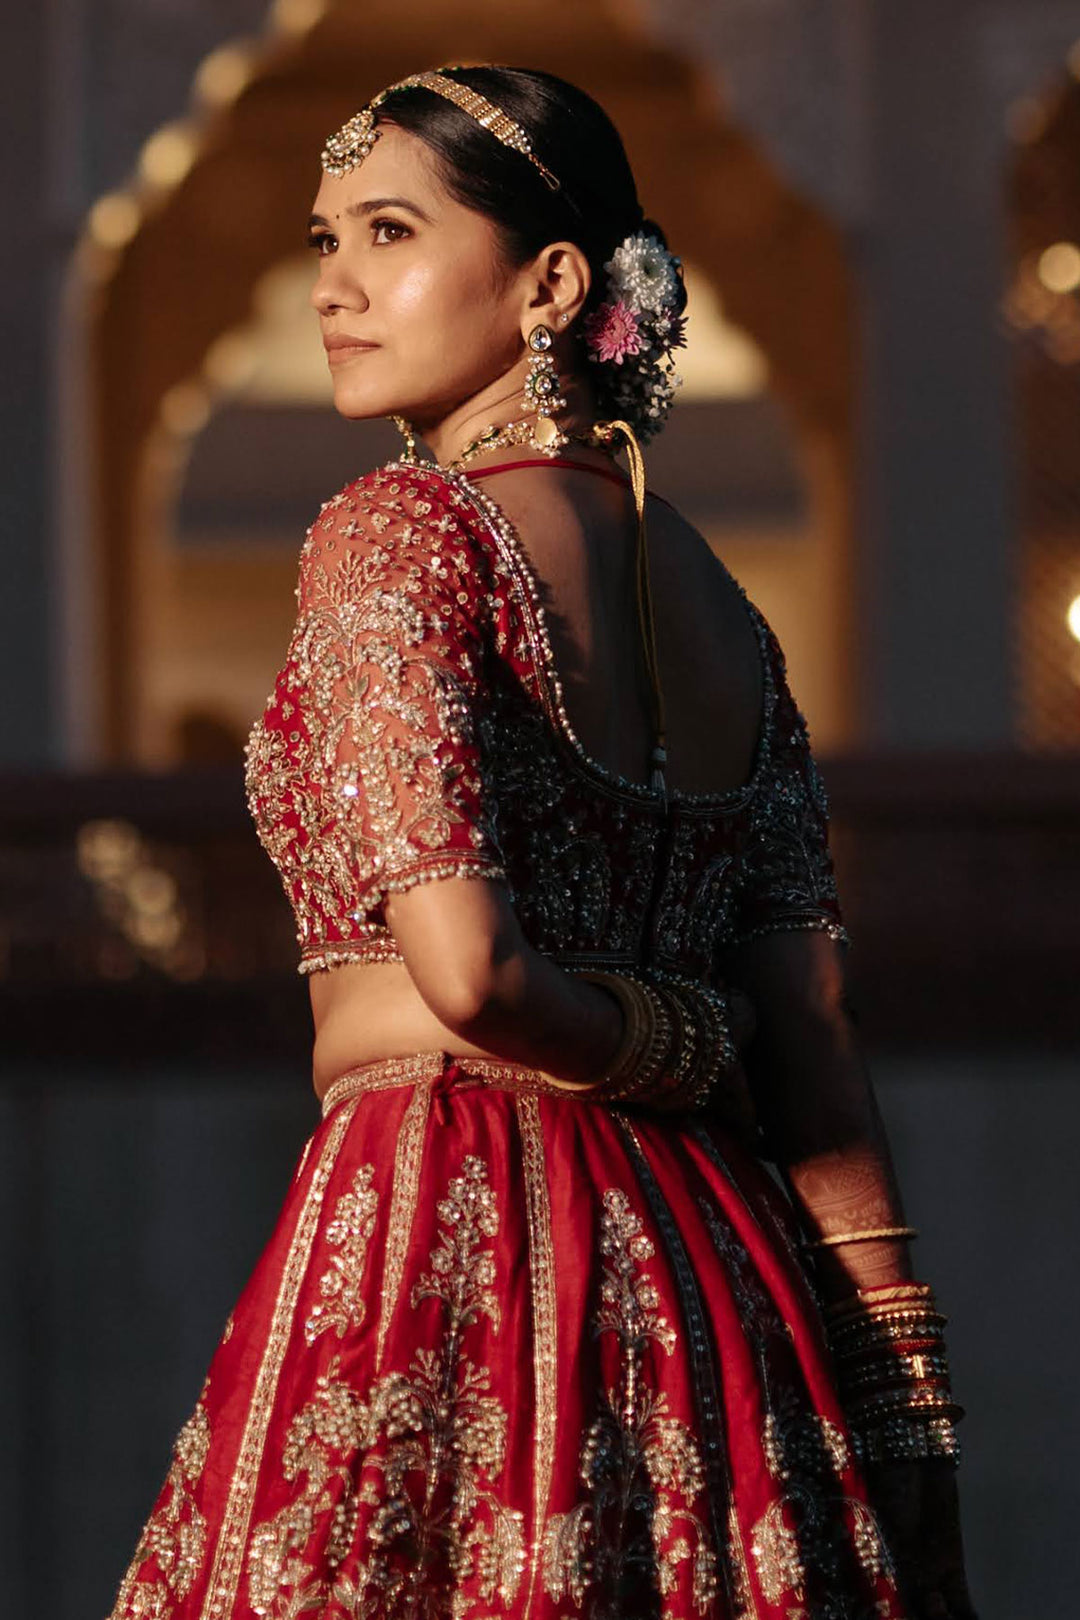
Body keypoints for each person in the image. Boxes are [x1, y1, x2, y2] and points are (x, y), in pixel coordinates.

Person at [107, 64, 978, 1620]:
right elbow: (814, 1030)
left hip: (448, 1238)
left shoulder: (398, 528)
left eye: (388, 231)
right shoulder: (726, 611)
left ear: (553, 283)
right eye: (324, 239)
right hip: (724, 1280)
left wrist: (653, 1035)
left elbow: (470, 973)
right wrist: (900, 1396)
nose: (334, 287)